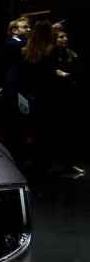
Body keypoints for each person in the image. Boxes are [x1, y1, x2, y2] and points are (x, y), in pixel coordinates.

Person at [19, 20, 60, 177]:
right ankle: (44, 164)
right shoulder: (51, 50)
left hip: (31, 95)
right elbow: (51, 75)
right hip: (48, 95)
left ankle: (34, 163)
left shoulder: (27, 50)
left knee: (34, 129)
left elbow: (24, 75)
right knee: (47, 131)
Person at [51, 25, 85, 178]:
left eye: (65, 37)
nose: (64, 39)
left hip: (70, 96)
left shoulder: (72, 54)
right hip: (56, 97)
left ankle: (69, 164)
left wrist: (67, 75)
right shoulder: (51, 55)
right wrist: (62, 74)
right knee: (59, 131)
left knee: (70, 131)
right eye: (60, 37)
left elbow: (77, 72)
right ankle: (59, 165)